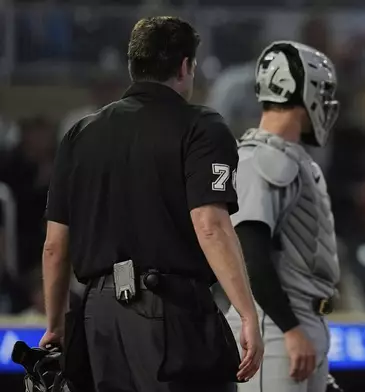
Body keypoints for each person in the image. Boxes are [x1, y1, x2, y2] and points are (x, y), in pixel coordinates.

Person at [39, 16, 263, 392]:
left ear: (133, 66)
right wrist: (246, 312)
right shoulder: (202, 126)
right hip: (169, 311)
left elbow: (54, 246)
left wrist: (55, 326)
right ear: (185, 66)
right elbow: (209, 223)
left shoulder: (80, 133)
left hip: (97, 315)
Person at [224, 40, 341, 392]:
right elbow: (250, 254)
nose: (326, 101)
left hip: (304, 321)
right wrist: (290, 329)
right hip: (273, 327)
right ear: (300, 90)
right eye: (321, 91)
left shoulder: (291, 156)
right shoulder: (261, 158)